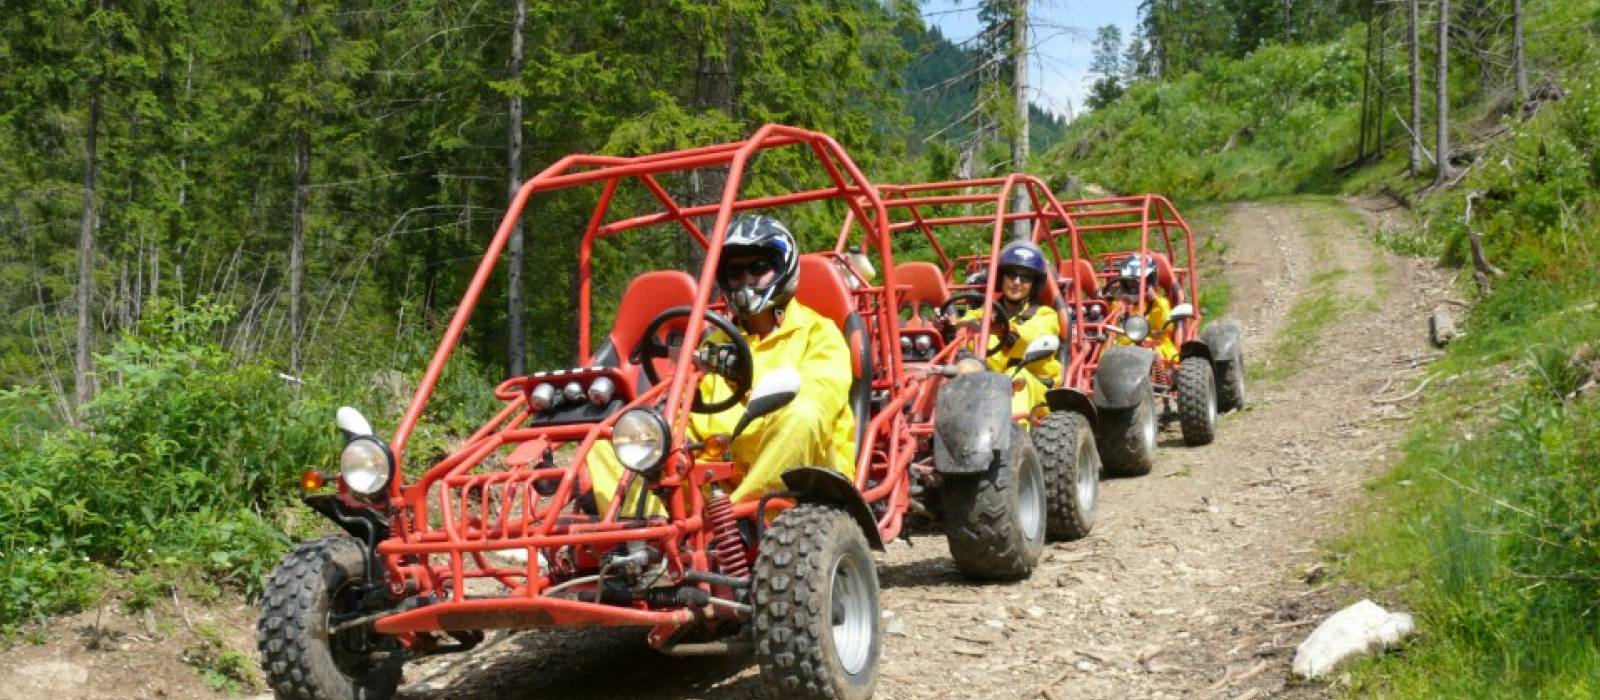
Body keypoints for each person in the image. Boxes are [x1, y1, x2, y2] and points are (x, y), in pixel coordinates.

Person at [587, 215, 856, 514]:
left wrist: (743, 383)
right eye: (735, 271)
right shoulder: (715, 342)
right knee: (613, 438)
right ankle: (648, 540)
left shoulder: (819, 332)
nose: (747, 279)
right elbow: (687, 409)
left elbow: (818, 400)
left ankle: (749, 520)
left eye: (759, 268)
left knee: (801, 414)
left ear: (782, 268)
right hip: (717, 470)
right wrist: (670, 434)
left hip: (798, 473)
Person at [947, 240, 1062, 418]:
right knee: (950, 373)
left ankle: (1015, 437)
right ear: (1002, 278)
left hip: (1034, 386)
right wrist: (951, 326)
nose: (1016, 282)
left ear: (1034, 284)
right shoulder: (986, 312)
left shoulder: (1045, 315)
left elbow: (1036, 334)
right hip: (990, 384)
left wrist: (1006, 330)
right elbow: (965, 325)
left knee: (1015, 378)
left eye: (1025, 278)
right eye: (1012, 275)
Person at [1106, 255, 1178, 363]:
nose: (1133, 288)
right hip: (1121, 349)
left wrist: (1155, 302)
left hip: (1155, 345)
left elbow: (1164, 326)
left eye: (1136, 284)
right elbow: (1110, 321)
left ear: (1149, 283)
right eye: (1129, 284)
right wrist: (1114, 299)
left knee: (1152, 353)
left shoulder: (1160, 304)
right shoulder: (1119, 304)